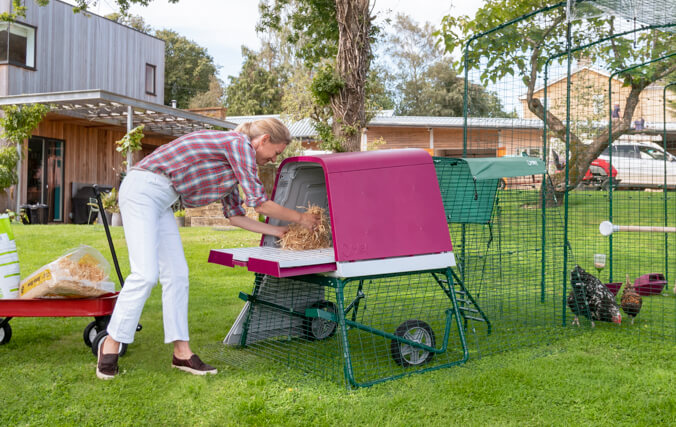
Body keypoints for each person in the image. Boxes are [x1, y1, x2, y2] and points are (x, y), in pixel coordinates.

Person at [96, 118, 319, 380]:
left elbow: (236, 216)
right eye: (276, 153)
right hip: (144, 187)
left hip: (164, 198)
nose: (273, 160)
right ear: (264, 140)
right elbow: (259, 204)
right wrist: (302, 218)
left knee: (177, 275)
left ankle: (182, 353)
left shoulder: (233, 166)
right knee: (145, 274)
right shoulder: (238, 144)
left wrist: (278, 231)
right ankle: (110, 343)